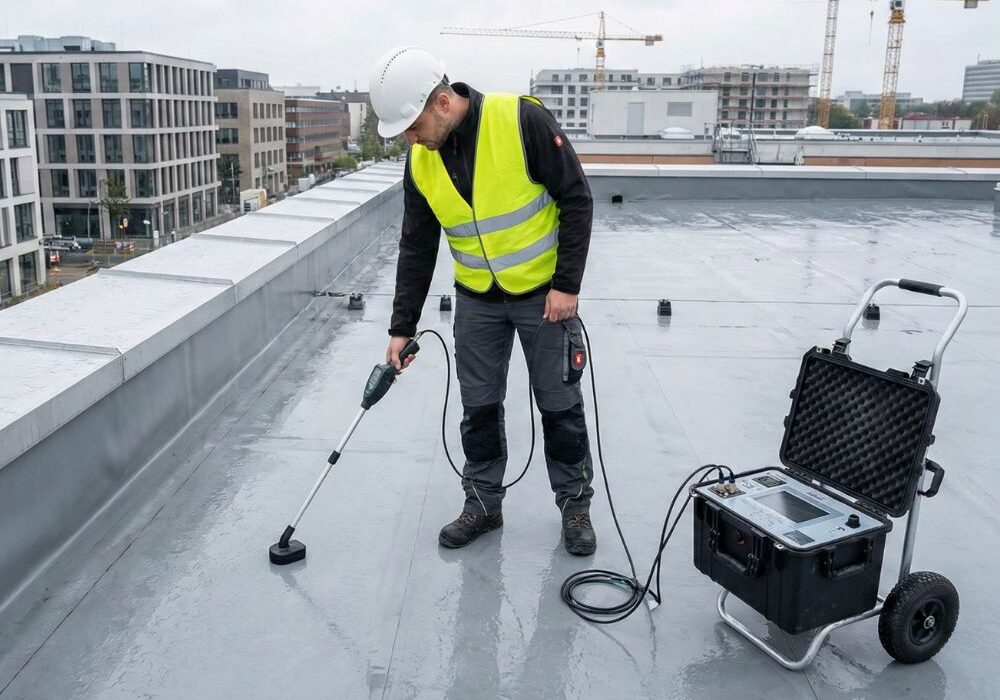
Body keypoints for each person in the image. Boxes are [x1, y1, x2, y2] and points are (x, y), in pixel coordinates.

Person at [369, 46, 596, 555]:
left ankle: (576, 505)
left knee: (560, 407)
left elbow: (576, 198)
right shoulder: (421, 161)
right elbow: (417, 243)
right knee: (479, 407)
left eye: (413, 124)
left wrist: (567, 285)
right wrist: (401, 327)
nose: (410, 137)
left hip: (545, 298)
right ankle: (482, 504)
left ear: (444, 103)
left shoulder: (522, 120)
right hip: (477, 301)